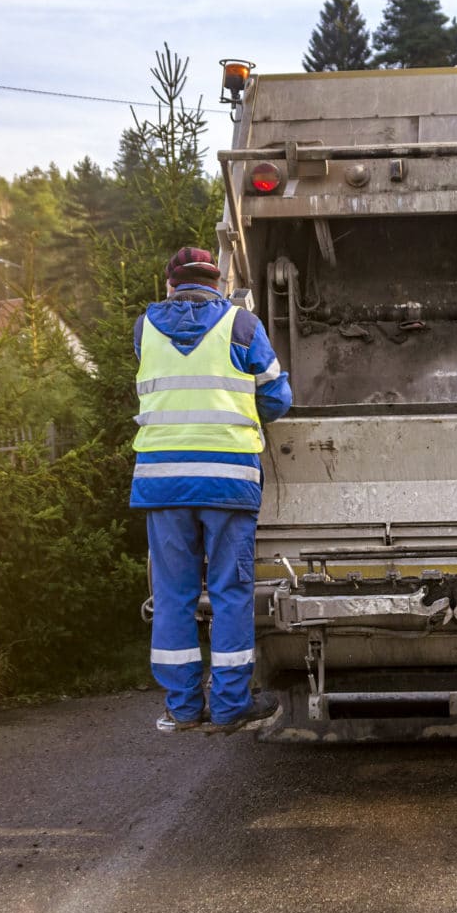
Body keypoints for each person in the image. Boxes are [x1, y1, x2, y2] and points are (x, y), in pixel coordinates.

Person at [132, 246, 292, 734]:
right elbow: (277, 397)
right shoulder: (242, 327)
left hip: (163, 483)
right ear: (219, 282)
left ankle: (182, 708)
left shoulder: (145, 328)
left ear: (169, 284)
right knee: (229, 592)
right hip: (227, 480)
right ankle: (228, 707)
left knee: (174, 593)